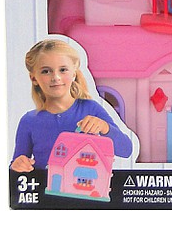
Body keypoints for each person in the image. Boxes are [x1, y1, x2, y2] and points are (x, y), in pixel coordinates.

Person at [10, 39, 133, 172]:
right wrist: (17, 166)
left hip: (86, 183)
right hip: (45, 185)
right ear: (33, 78)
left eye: (63, 70)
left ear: (74, 73)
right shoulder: (29, 121)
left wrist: (104, 127)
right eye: (46, 71)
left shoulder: (91, 109)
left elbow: (126, 150)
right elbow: (16, 168)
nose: (56, 77)